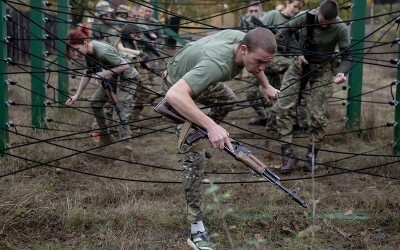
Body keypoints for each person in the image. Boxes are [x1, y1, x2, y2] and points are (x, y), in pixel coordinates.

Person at [162, 28, 279, 250]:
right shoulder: (216, 65)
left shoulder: (244, 42)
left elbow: (257, 59)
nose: (263, 68)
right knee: (195, 159)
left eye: (267, 63)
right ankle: (196, 229)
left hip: (195, 78)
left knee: (228, 99)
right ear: (243, 49)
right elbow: (174, 95)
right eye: (260, 62)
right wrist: (211, 126)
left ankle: (202, 130)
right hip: (176, 88)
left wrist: (265, 84)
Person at [274, 0, 351, 173]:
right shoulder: (305, 17)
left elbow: (347, 56)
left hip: (322, 69)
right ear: (318, 12)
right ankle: (287, 153)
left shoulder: (340, 28)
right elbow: (285, 31)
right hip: (298, 65)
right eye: (322, 21)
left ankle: (312, 155)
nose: (324, 25)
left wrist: (341, 73)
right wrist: (298, 52)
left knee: (317, 115)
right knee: (282, 107)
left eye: (328, 23)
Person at [65, 25, 140, 157]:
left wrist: (104, 73)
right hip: (112, 74)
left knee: (120, 111)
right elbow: (88, 72)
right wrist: (76, 95)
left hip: (128, 76)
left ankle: (126, 150)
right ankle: (106, 137)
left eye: (77, 50)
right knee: (95, 103)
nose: (76, 53)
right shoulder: (87, 51)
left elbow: (124, 65)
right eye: (73, 51)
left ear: (86, 43)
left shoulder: (102, 51)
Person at [246, 0, 305, 126]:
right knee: (250, 93)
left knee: (276, 94)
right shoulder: (273, 15)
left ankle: (275, 120)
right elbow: (256, 33)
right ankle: (264, 117)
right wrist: (272, 38)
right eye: (294, 6)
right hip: (262, 60)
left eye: (299, 8)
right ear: (287, 3)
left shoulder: (296, 22)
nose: (296, 10)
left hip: (280, 64)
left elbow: (296, 44)